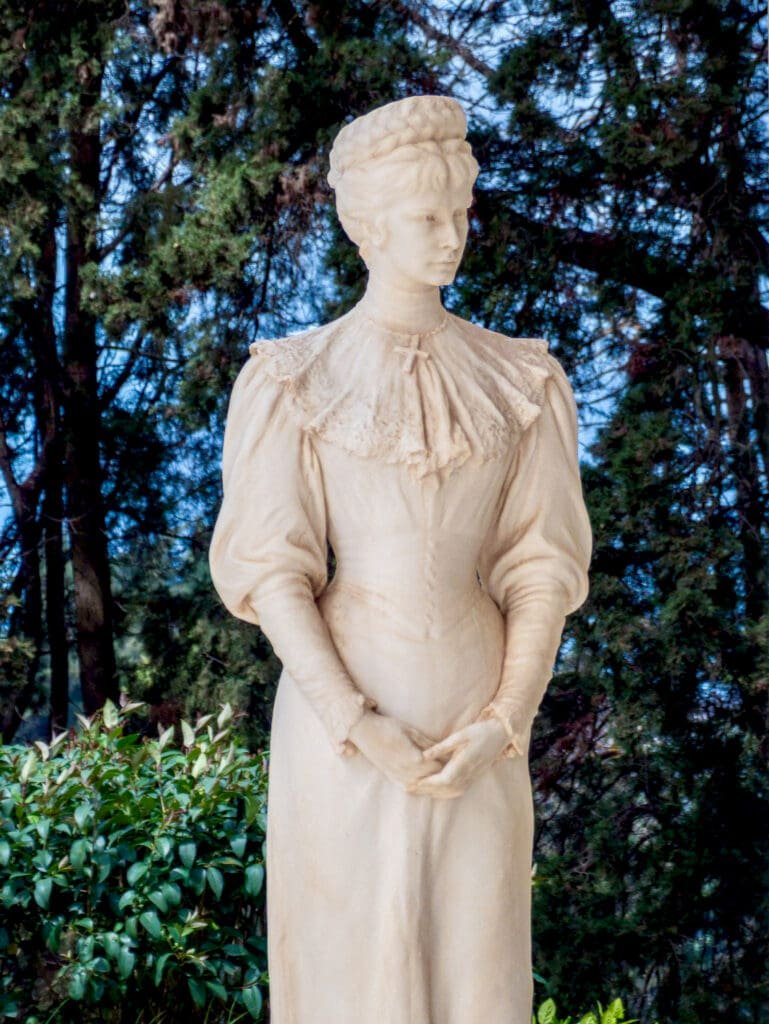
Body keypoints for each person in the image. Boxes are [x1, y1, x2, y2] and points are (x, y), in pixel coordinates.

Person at [209, 94, 592, 1024]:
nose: (451, 236)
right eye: (426, 216)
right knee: (350, 972)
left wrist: (506, 719)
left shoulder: (524, 380)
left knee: (476, 972)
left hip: (477, 708)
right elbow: (272, 569)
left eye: (460, 212)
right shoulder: (292, 379)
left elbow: (540, 566)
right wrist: (353, 720)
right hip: (340, 718)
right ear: (366, 226)